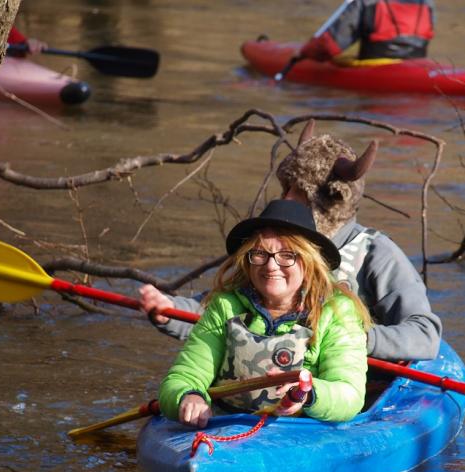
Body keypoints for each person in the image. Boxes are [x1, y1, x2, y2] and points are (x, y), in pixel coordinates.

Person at [140, 120, 443, 362]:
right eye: (285, 188)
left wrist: (356, 339)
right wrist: (169, 309)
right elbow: (218, 310)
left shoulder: (376, 253)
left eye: (296, 192)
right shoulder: (270, 250)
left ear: (328, 201)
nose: (284, 199)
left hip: (347, 384)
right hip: (268, 376)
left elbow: (424, 334)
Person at [158, 200, 371, 428]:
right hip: (225, 425)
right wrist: (189, 396)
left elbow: (350, 395)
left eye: (287, 255)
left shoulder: (338, 311)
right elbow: (182, 377)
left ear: (309, 261)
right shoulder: (225, 306)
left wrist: (308, 393)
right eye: (260, 254)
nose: (271, 266)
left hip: (299, 431)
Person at [298, 0, 435, 62]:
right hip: (417, 64)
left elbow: (330, 47)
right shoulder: (427, 2)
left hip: (376, 67)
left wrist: (303, 52)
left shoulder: (366, 1)